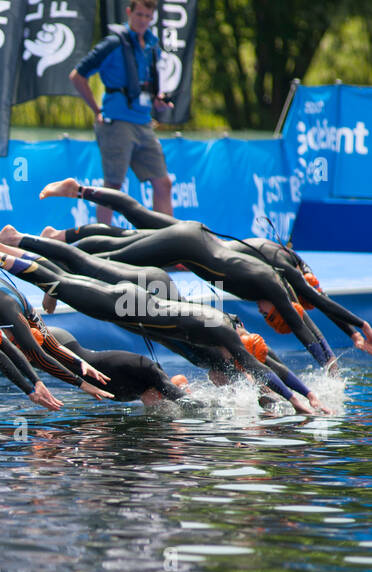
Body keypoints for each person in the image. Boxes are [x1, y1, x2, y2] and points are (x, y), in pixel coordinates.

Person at [38, 178, 340, 368]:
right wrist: (335, 356)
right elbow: (306, 317)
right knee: (121, 242)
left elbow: (301, 317)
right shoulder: (275, 281)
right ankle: (69, 216)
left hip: (190, 249)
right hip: (188, 245)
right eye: (269, 315)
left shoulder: (276, 290)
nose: (262, 313)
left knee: (125, 234)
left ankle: (61, 236)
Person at [68, 0, 172, 227]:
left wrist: (158, 101)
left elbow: (144, 85)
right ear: (129, 12)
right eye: (139, 15)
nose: (143, 20)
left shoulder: (151, 45)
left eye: (148, 16)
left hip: (144, 123)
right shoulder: (113, 44)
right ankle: (101, 240)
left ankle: (170, 242)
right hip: (117, 124)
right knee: (113, 186)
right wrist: (97, 110)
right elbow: (77, 76)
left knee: (163, 183)